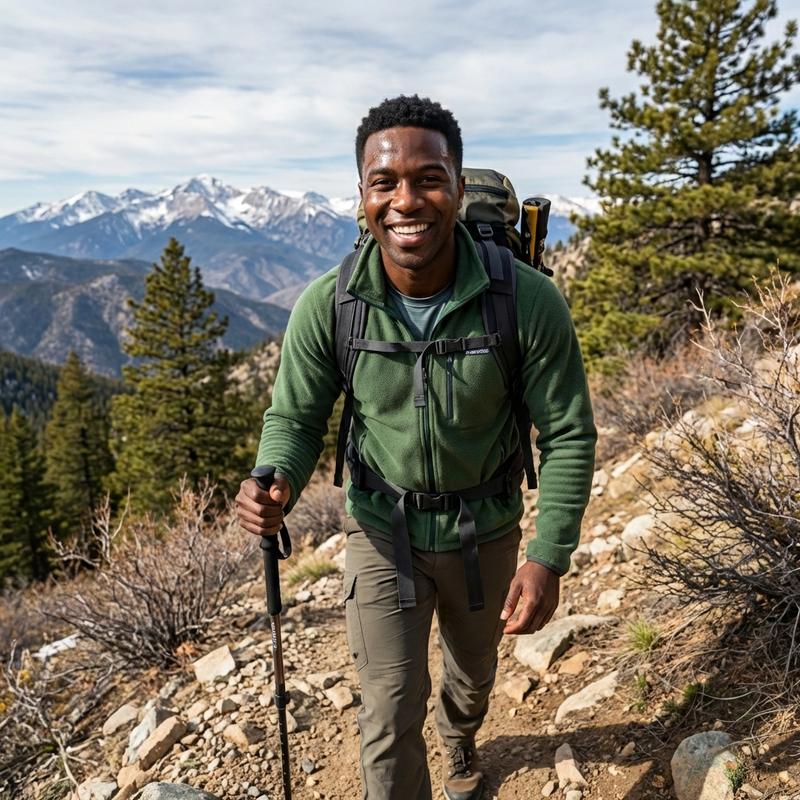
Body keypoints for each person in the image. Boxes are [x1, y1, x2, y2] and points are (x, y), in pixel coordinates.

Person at [236, 94, 596, 800]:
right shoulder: (330, 305)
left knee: (473, 675)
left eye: (429, 179)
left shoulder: (524, 301)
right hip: (379, 527)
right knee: (387, 707)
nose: (408, 200)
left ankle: (460, 738)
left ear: (459, 189)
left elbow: (567, 431)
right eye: (385, 182)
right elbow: (296, 417)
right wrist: (273, 477)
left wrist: (547, 555)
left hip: (485, 527)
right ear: (363, 197)